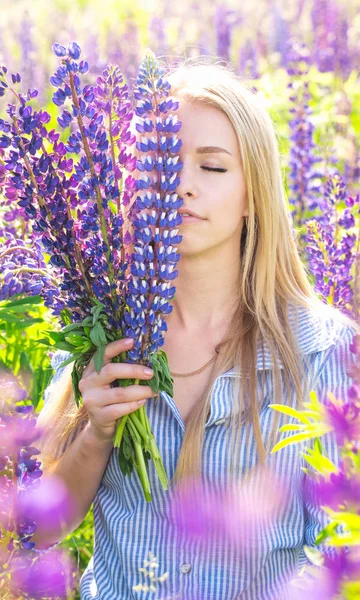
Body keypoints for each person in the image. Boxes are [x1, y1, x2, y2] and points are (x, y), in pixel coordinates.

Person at [35, 59, 359, 599]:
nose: (181, 185)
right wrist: (96, 432)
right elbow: (41, 527)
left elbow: (341, 557)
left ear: (254, 193)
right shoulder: (100, 329)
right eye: (161, 164)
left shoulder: (322, 350)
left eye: (212, 167)